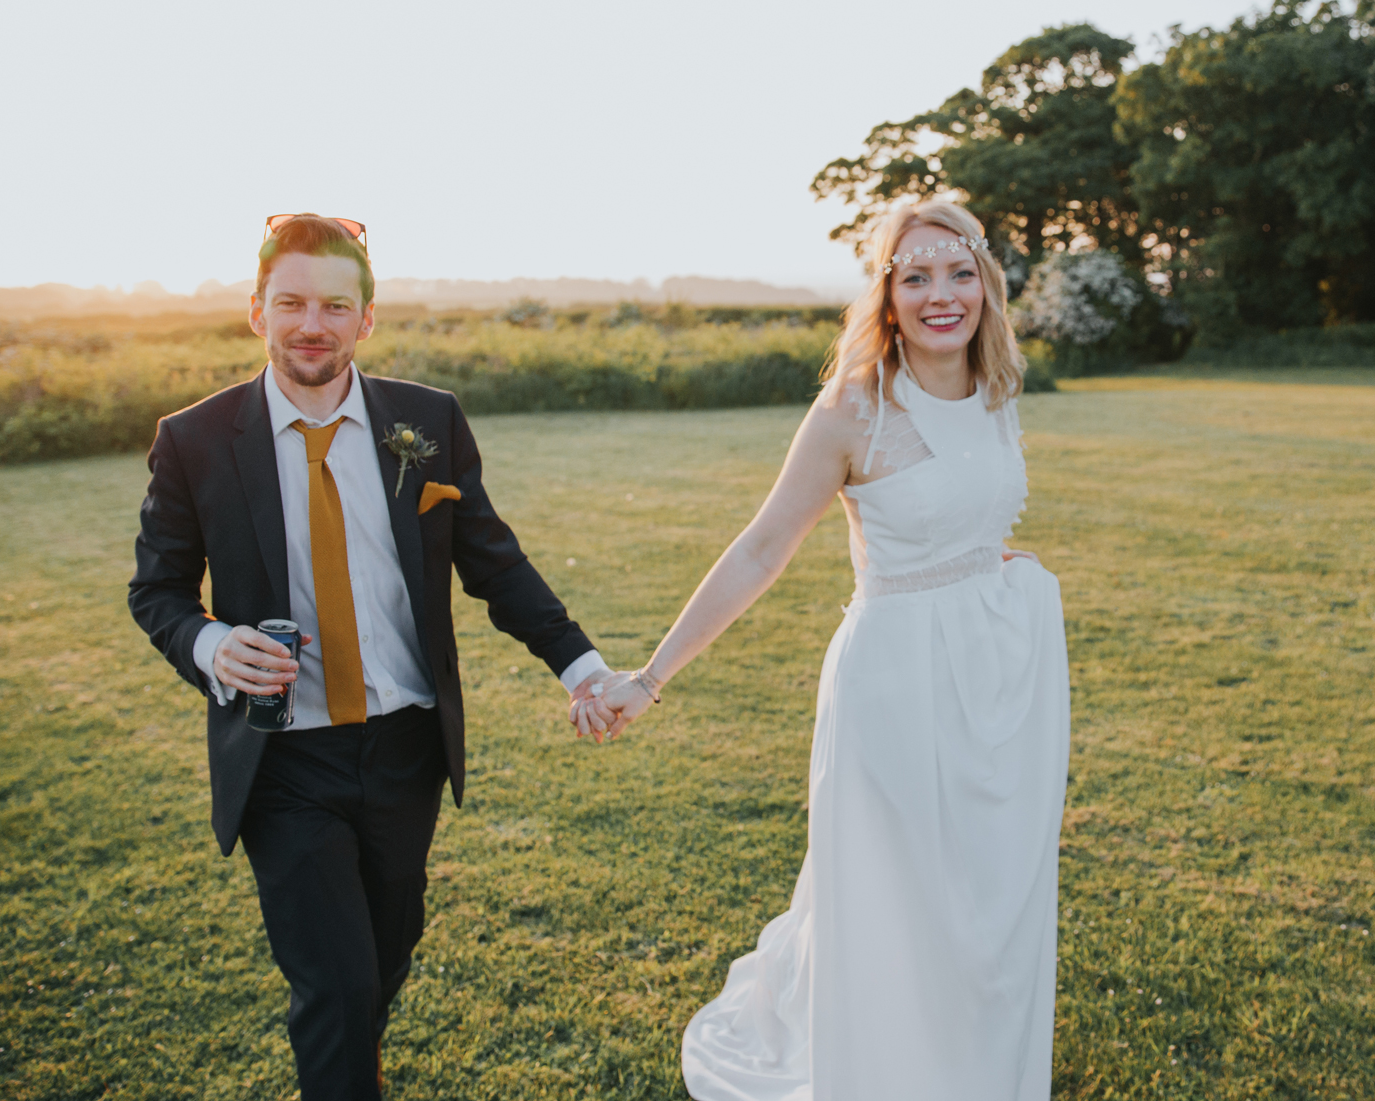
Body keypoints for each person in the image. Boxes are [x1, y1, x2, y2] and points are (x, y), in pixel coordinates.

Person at [575, 201, 1070, 1100]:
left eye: (957, 272)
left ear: (986, 286)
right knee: (895, 900)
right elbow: (763, 547)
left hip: (997, 678)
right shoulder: (852, 410)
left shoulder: (997, 388)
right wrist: (650, 677)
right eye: (914, 276)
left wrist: (990, 560)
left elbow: (966, 505)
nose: (939, 295)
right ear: (886, 295)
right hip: (893, 683)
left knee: (984, 901)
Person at [127, 215, 612, 1101]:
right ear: (256, 312)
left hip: (403, 750)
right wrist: (209, 642)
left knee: (383, 962)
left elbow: (493, 562)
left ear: (366, 319)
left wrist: (581, 666)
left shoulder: (427, 421)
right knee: (338, 988)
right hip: (283, 757)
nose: (312, 323)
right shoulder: (195, 440)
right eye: (291, 303)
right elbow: (155, 591)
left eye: (334, 305)